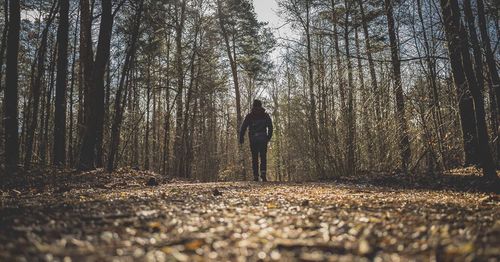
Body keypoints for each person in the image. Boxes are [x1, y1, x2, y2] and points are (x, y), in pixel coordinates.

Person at [239, 99, 273, 181]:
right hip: (263, 138)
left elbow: (243, 127)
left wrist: (241, 137)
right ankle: (263, 174)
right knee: (263, 156)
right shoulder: (265, 115)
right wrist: (268, 137)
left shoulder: (250, 116)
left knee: (254, 157)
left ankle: (255, 176)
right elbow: (270, 127)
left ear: (253, 106)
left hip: (253, 138)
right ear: (261, 105)